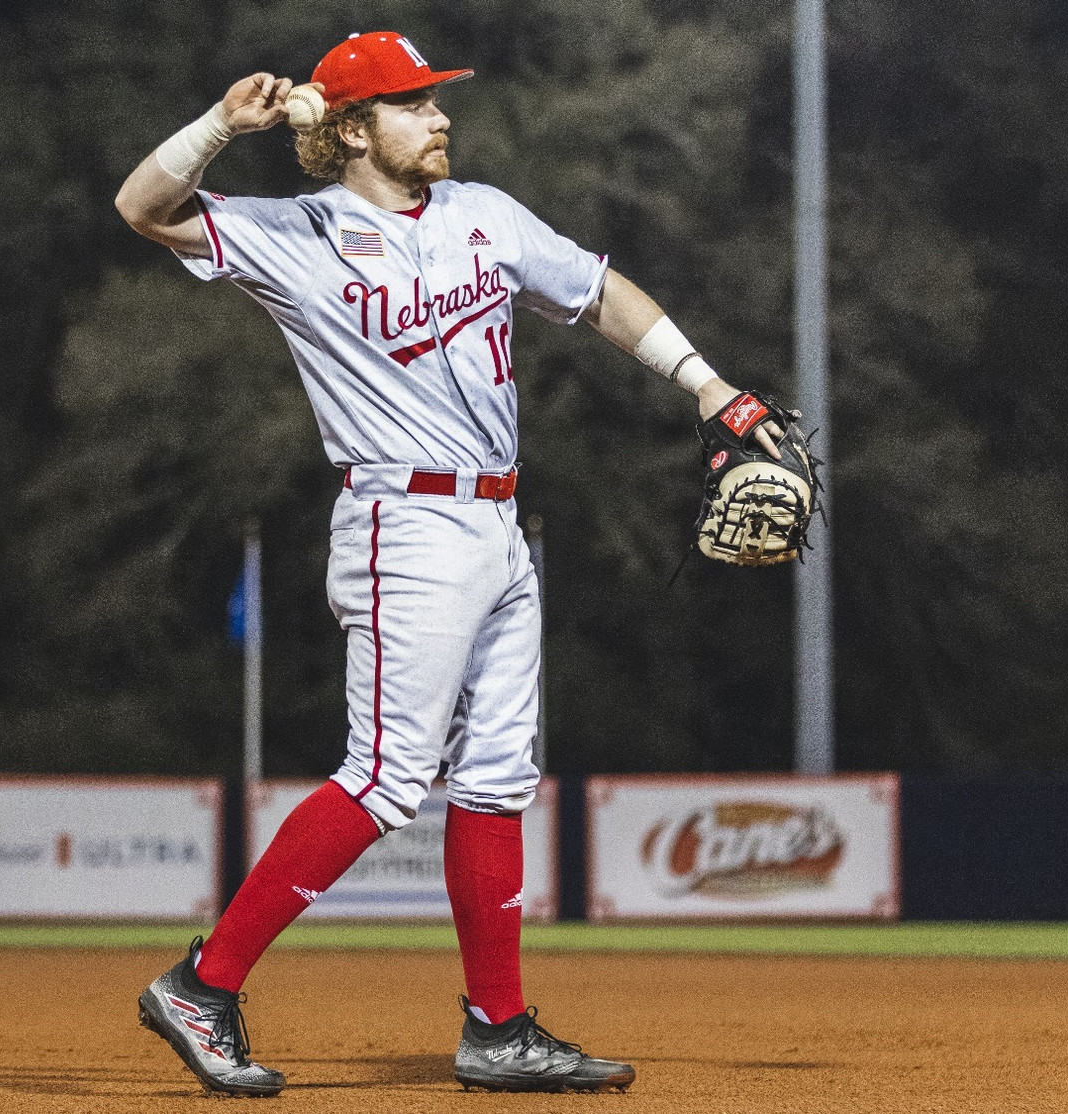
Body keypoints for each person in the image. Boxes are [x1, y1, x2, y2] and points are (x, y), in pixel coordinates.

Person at [114, 31, 780, 1097]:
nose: (440, 118)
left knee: (497, 775)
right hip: (404, 526)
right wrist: (216, 130)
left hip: (502, 527)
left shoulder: (485, 214)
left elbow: (601, 292)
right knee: (383, 776)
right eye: (415, 103)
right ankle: (205, 981)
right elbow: (142, 208)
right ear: (356, 129)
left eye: (435, 101)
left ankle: (499, 1026)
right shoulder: (301, 235)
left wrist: (710, 387)